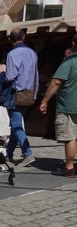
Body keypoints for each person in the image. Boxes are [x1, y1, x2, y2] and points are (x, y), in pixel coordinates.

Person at [39, 35, 77, 178]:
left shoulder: (70, 61)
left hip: (69, 105)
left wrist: (45, 100)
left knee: (70, 136)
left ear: (73, 44)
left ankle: (69, 168)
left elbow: (56, 82)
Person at [5, 28, 38, 167]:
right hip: (30, 92)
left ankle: (28, 153)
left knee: (16, 124)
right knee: (15, 123)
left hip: (17, 92)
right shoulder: (32, 52)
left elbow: (10, 76)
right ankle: (9, 153)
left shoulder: (13, 54)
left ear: (10, 39)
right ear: (24, 37)